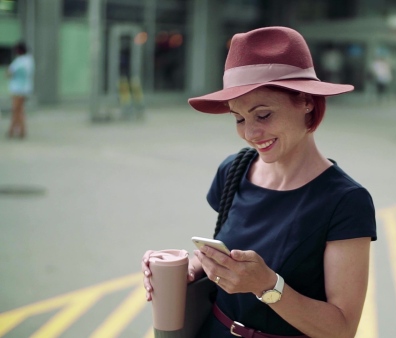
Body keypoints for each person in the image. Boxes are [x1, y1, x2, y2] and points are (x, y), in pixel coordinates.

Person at [141, 26, 377, 337]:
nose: (250, 134)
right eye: (239, 118)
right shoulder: (234, 170)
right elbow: (227, 252)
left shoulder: (346, 201)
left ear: (306, 101)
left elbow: (342, 328)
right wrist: (191, 267)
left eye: (263, 115)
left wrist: (268, 285)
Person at [6, 41, 34, 139]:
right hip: (26, 88)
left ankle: (18, 130)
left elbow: (9, 73)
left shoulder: (18, 61)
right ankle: (14, 130)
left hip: (17, 89)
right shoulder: (29, 60)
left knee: (16, 110)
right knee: (19, 110)